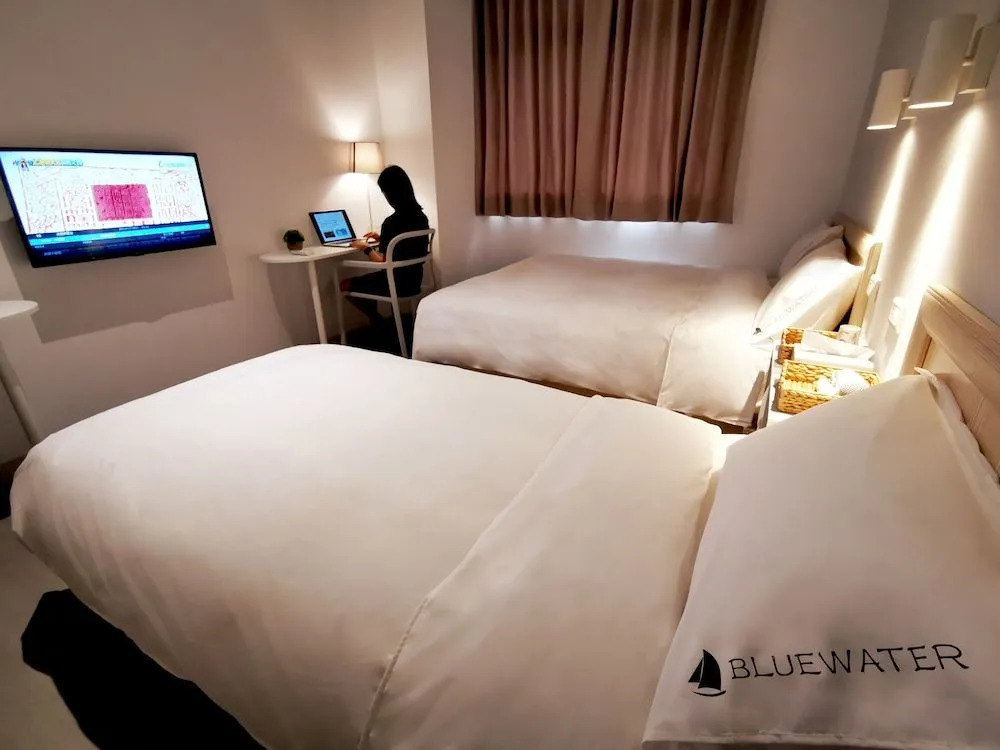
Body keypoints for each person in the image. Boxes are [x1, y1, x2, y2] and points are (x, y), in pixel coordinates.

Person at [340, 165, 430, 325]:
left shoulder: (391, 223)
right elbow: (406, 246)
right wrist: (383, 239)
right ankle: (379, 323)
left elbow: (382, 261)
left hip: (394, 284)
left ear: (389, 193)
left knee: (344, 284)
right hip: (414, 281)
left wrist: (364, 247)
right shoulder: (421, 217)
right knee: (369, 280)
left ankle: (377, 321)